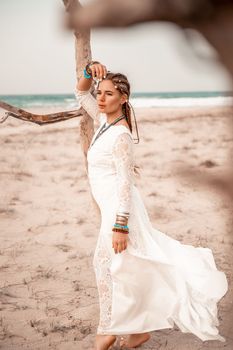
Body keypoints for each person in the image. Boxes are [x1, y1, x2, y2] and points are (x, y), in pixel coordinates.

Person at [75, 61, 228, 350]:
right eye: (101, 93)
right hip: (113, 207)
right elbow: (81, 95)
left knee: (104, 263)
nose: (101, 98)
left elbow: (123, 183)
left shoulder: (120, 136)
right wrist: (88, 72)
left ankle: (108, 329)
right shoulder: (103, 123)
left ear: (123, 98)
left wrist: (120, 225)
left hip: (120, 210)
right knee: (130, 265)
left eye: (108, 94)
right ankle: (136, 332)